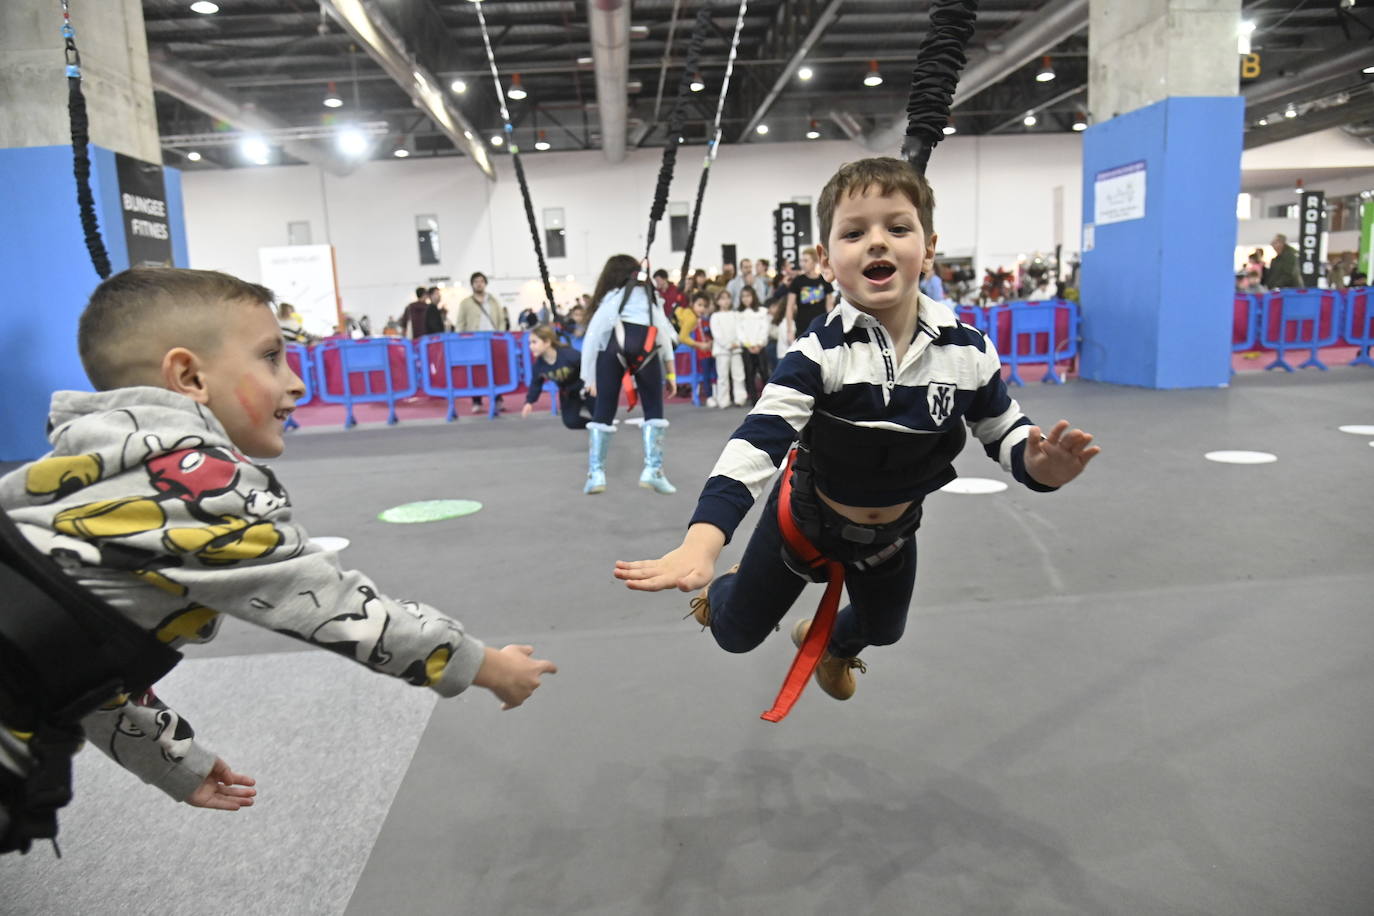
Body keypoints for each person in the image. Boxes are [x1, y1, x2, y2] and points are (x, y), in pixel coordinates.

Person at [0, 267, 556, 812]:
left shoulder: (73, 475)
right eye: (271, 357)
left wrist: (171, 761)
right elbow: (336, 607)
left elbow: (78, 662)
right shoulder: (201, 484)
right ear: (190, 378)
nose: (296, 381)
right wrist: (488, 666)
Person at [614, 157, 1100, 709]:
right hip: (803, 524)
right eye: (854, 232)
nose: (877, 242)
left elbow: (1002, 426)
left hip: (891, 535)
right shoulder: (818, 353)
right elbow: (757, 443)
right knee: (735, 634)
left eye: (897, 227)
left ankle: (829, 647)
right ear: (825, 260)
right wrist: (703, 540)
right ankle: (729, 582)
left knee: (884, 627)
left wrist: (1039, 467)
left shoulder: (968, 350)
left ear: (929, 247)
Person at [579, 254, 678, 495]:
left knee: (604, 408)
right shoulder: (648, 296)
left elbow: (594, 335)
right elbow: (664, 334)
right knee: (654, 408)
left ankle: (596, 474)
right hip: (647, 348)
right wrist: (671, 374)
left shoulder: (612, 298)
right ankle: (653, 470)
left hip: (614, 348)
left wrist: (589, 377)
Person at [520, 324, 594, 430]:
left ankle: (600, 424)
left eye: (534, 342)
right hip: (568, 393)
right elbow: (535, 384)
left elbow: (589, 365)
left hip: (586, 388)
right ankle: (594, 425)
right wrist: (529, 402)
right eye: (529, 343)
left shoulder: (569, 355)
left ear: (547, 342)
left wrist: (592, 382)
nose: (530, 346)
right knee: (570, 422)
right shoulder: (538, 366)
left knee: (600, 416)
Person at [454, 272, 510, 412]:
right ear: (472, 284)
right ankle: (477, 402)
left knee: (496, 370)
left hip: (493, 340)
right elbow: (460, 323)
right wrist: (460, 341)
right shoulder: (465, 303)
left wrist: (500, 335)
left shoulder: (493, 301)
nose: (479, 284)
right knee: (475, 372)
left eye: (481, 281)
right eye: (476, 281)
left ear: (485, 283)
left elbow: (502, 320)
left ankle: (498, 400)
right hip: (473, 342)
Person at [786, 246, 834, 343]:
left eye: (806, 261)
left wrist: (832, 326)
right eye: (801, 261)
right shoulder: (797, 281)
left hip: (821, 327)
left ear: (814, 261)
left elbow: (829, 307)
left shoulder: (824, 281)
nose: (803, 264)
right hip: (802, 328)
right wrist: (789, 330)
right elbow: (790, 307)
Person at [708, 289, 745, 409]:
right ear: (717, 301)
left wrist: (738, 343)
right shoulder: (715, 316)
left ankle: (740, 398)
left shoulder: (736, 314)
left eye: (727, 298)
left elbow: (740, 330)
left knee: (738, 375)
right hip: (722, 351)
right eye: (722, 298)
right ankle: (723, 400)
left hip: (736, 349)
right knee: (722, 376)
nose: (726, 301)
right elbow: (717, 334)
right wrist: (728, 344)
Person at [735, 285, 771, 405]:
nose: (746, 299)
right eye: (743, 296)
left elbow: (765, 328)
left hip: (760, 347)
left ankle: (768, 398)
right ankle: (754, 400)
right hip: (747, 348)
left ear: (753, 296)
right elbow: (739, 331)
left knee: (764, 373)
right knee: (749, 374)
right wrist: (748, 345)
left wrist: (760, 344)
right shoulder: (739, 314)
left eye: (748, 296)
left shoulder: (762, 311)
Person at [679, 292, 716, 406]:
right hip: (697, 350)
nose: (702, 308)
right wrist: (699, 345)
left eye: (705, 306)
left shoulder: (699, 318)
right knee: (704, 373)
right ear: (692, 304)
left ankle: (711, 394)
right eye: (699, 305)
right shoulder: (691, 318)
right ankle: (707, 395)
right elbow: (682, 337)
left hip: (706, 350)